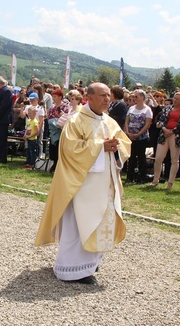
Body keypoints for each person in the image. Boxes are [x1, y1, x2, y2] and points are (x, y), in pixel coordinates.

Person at [35, 82, 131, 285]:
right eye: (103, 95)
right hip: (82, 185)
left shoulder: (110, 121)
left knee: (101, 222)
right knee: (78, 225)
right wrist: (99, 146)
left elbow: (125, 143)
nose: (107, 99)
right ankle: (71, 268)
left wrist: (116, 148)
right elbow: (70, 149)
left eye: (108, 96)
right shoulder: (76, 120)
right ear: (90, 97)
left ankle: (91, 264)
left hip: (104, 184)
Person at [150, 92, 180, 189]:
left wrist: (172, 131)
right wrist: (164, 129)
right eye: (174, 98)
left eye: (177, 99)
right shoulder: (167, 108)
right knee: (158, 158)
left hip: (176, 136)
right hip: (164, 134)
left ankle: (170, 182)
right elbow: (162, 120)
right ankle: (156, 179)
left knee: (174, 160)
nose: (175, 100)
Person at [124, 89, 152, 183]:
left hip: (141, 137)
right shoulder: (131, 108)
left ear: (142, 97)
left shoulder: (147, 109)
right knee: (131, 157)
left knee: (141, 157)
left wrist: (138, 134)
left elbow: (147, 124)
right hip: (131, 136)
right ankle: (130, 176)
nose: (134, 98)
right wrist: (127, 132)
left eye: (136, 96)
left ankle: (141, 177)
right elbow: (127, 121)